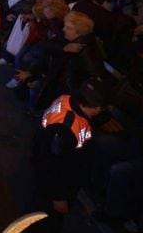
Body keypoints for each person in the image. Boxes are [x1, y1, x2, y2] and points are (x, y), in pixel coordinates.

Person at [32, 79, 109, 233]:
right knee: (48, 222)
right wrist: (58, 197)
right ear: (97, 108)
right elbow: (53, 165)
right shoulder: (65, 129)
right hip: (54, 186)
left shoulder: (67, 99)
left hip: (52, 169)